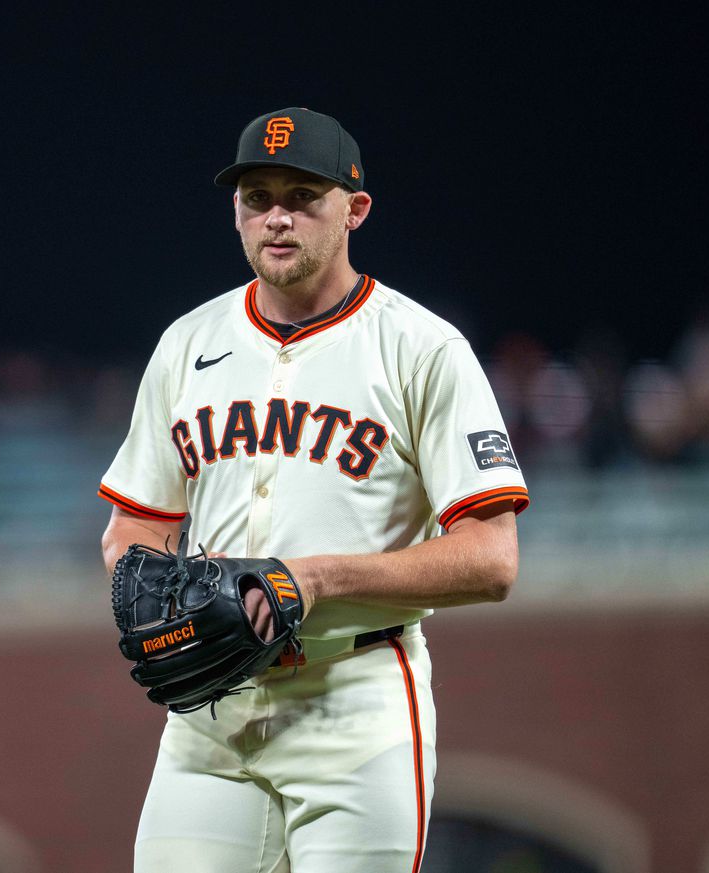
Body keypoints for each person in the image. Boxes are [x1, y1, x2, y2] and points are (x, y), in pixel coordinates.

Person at [98, 107, 529, 872]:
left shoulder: (422, 348)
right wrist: (153, 593)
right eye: (256, 197)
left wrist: (317, 577)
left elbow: (492, 557)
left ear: (355, 209)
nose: (277, 217)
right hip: (212, 716)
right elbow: (135, 526)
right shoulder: (187, 343)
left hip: (356, 703)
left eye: (303, 196)